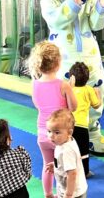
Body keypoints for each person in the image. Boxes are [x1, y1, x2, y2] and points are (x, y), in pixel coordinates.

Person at [30, 0, 104, 155]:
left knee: (97, 94)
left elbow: (95, 24)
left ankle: (93, 132)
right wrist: (73, 2)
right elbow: (57, 21)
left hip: (90, 58)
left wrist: (102, 5)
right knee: (65, 101)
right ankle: (64, 134)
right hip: (63, 61)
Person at [28, 41, 77, 198]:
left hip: (43, 133)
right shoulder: (63, 85)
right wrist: (71, 88)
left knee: (47, 165)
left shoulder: (35, 84)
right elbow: (73, 107)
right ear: (58, 63)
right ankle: (65, 194)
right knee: (65, 168)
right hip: (61, 134)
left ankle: (48, 194)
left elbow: (38, 105)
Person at [69, 62, 102, 178]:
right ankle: (85, 171)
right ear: (87, 78)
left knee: (69, 149)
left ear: (71, 77)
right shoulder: (88, 90)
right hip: (82, 126)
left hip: (69, 126)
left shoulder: (69, 89)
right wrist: (98, 94)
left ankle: (69, 170)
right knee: (84, 151)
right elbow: (97, 105)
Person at [45, 109, 87, 198]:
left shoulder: (67, 150)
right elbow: (68, 162)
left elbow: (72, 174)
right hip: (65, 188)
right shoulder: (63, 141)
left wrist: (68, 195)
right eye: (49, 131)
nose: (51, 136)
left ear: (69, 133)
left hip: (73, 193)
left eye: (57, 132)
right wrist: (57, 165)